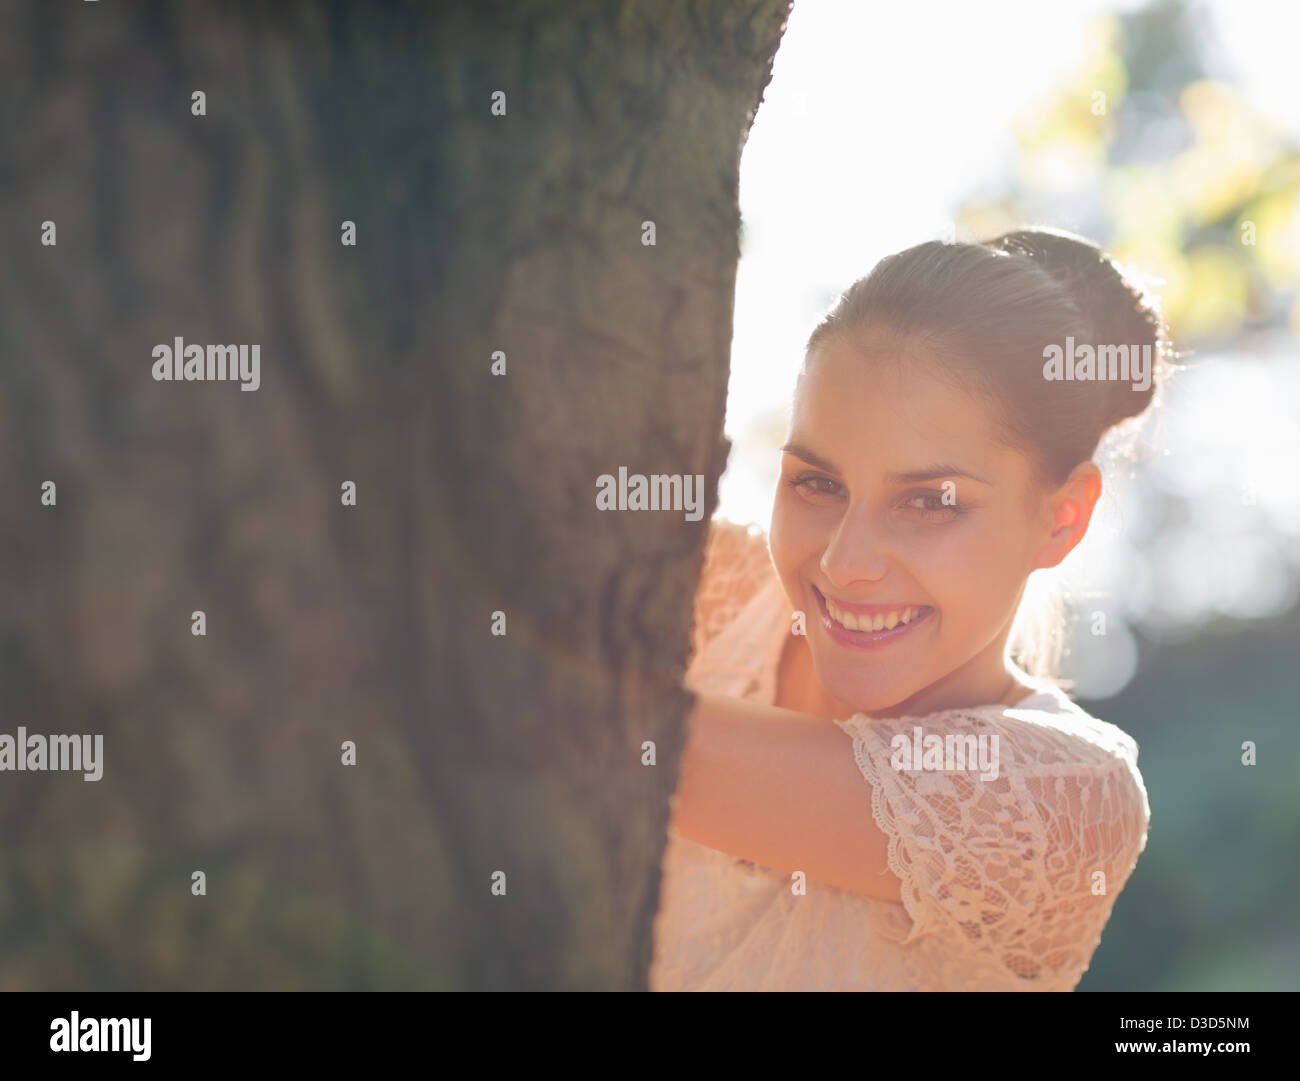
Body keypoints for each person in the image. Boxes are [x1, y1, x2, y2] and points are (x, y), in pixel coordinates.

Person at [649, 228, 1162, 991]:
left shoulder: (1067, 799)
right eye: (817, 484)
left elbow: (623, 742)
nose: (843, 563)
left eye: (929, 502)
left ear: (1062, 516)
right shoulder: (721, 588)